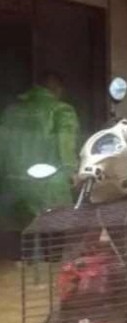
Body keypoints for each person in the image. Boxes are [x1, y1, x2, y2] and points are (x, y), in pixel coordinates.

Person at [0, 71, 80, 260]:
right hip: (50, 188)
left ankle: (18, 282)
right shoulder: (62, 111)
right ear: (57, 89)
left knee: (17, 250)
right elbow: (65, 144)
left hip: (13, 188)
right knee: (52, 246)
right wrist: (72, 171)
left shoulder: (10, 112)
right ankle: (49, 281)